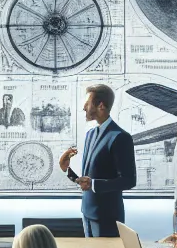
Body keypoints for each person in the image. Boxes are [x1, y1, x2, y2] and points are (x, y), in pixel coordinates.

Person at [57, 84, 136, 237]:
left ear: (101, 106)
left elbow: (129, 180)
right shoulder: (90, 135)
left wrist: (94, 184)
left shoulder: (120, 137)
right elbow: (86, 176)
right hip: (87, 211)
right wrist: (67, 169)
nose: (84, 108)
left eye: (88, 103)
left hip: (107, 216)